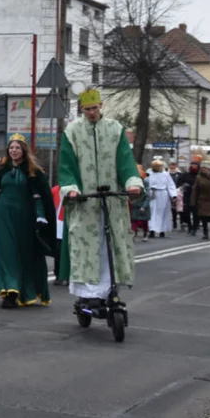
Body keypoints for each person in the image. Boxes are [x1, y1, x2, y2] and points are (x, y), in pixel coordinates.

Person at [58, 89, 143, 312]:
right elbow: (66, 166)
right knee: (85, 245)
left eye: (95, 108)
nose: (92, 113)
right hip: (85, 202)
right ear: (82, 110)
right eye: (87, 109)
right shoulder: (72, 132)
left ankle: (109, 288)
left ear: (101, 106)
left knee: (109, 244)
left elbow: (125, 160)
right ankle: (87, 293)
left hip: (112, 200)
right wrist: (71, 189)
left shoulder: (115, 129)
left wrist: (132, 183)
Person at [0, 134, 56, 308]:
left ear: (23, 151)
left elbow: (40, 196)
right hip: (3, 216)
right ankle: (10, 290)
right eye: (11, 148)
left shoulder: (34, 172)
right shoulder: (4, 170)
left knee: (24, 254)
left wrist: (41, 216)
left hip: (24, 218)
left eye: (17, 148)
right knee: (5, 252)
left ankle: (24, 289)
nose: (14, 151)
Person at [146, 158, 177, 240]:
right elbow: (146, 184)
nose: (161, 168)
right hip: (153, 194)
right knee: (152, 212)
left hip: (163, 194)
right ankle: (152, 230)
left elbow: (170, 185)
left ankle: (162, 230)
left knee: (162, 212)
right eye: (159, 166)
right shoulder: (149, 174)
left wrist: (173, 195)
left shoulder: (166, 174)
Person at [129, 165, 151, 241]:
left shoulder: (146, 182)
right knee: (134, 220)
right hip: (135, 204)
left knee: (144, 221)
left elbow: (148, 196)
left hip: (143, 204)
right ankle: (133, 233)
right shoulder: (132, 182)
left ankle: (145, 233)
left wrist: (144, 206)